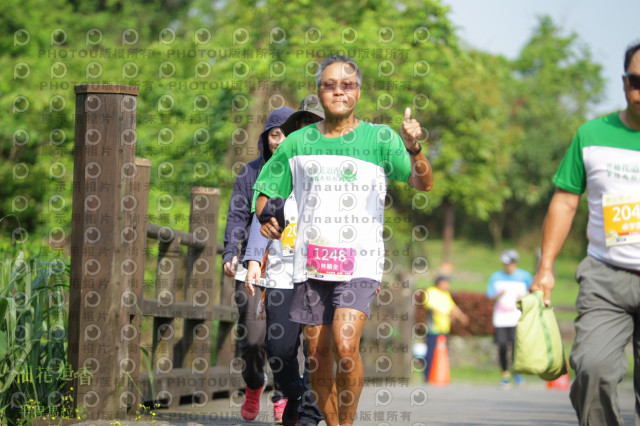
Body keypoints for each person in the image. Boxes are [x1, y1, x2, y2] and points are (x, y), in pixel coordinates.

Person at [253, 54, 433, 426]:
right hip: (310, 263)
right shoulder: (297, 143)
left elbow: (422, 182)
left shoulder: (380, 137)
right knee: (318, 356)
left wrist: (414, 148)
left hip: (359, 263)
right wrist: (263, 216)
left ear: (358, 92)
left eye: (347, 85)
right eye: (329, 84)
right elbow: (265, 190)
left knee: (347, 346)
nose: (338, 91)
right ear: (319, 92)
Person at [530, 42, 640, 425]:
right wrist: (545, 268)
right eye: (638, 81)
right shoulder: (592, 134)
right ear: (625, 82)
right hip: (605, 276)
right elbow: (565, 202)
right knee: (593, 369)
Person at [243, 94, 326, 426]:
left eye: (315, 124)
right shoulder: (281, 164)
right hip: (281, 272)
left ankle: (310, 407)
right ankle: (296, 393)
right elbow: (257, 213)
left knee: (319, 351)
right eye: (303, 125)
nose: (309, 131)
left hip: (324, 270)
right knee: (278, 350)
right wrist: (253, 257)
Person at [221, 106, 295, 422]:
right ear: (265, 138)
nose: (279, 141)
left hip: (292, 268)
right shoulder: (250, 172)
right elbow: (238, 214)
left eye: (286, 135)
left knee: (287, 343)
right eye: (274, 135)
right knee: (252, 339)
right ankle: (254, 384)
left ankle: (283, 395)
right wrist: (230, 252)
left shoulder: (303, 173)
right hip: (253, 267)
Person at [486, 249, 532, 388]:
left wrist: (524, 297)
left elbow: (533, 294)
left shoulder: (524, 276)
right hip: (501, 318)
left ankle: (516, 372)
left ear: (514, 262)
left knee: (516, 346)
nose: (508, 266)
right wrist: (499, 294)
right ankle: (505, 374)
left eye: (510, 263)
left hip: (517, 318)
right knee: (501, 346)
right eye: (505, 263)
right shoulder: (496, 277)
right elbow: (489, 297)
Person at [420, 274, 469, 382]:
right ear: (440, 282)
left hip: (444, 329)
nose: (448, 285)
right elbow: (431, 308)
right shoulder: (431, 292)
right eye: (446, 282)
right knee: (431, 353)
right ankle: (428, 377)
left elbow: (453, 307)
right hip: (433, 329)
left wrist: (461, 317)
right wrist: (445, 315)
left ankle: (440, 376)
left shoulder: (446, 294)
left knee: (442, 354)